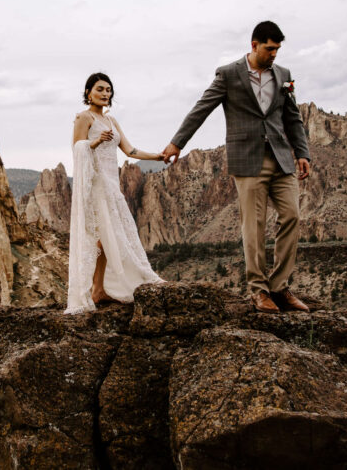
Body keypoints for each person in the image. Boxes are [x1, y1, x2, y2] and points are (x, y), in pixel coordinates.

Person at [161, 21, 312, 314]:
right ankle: (259, 290)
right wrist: (177, 143)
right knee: (253, 227)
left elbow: (292, 116)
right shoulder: (229, 74)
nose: (274, 55)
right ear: (254, 45)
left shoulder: (283, 75)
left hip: (281, 158)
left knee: (292, 216)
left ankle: (280, 287)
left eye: (278, 49)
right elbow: (201, 108)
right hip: (248, 160)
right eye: (270, 48)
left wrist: (302, 152)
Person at [66, 72, 165, 314]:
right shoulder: (83, 117)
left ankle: (99, 289)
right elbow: (77, 148)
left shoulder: (112, 121)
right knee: (103, 235)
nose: (105, 94)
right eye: (100, 89)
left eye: (108, 90)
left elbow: (130, 150)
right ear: (88, 92)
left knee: (108, 235)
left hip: (112, 185)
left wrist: (158, 156)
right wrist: (96, 141)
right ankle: (94, 289)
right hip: (96, 184)